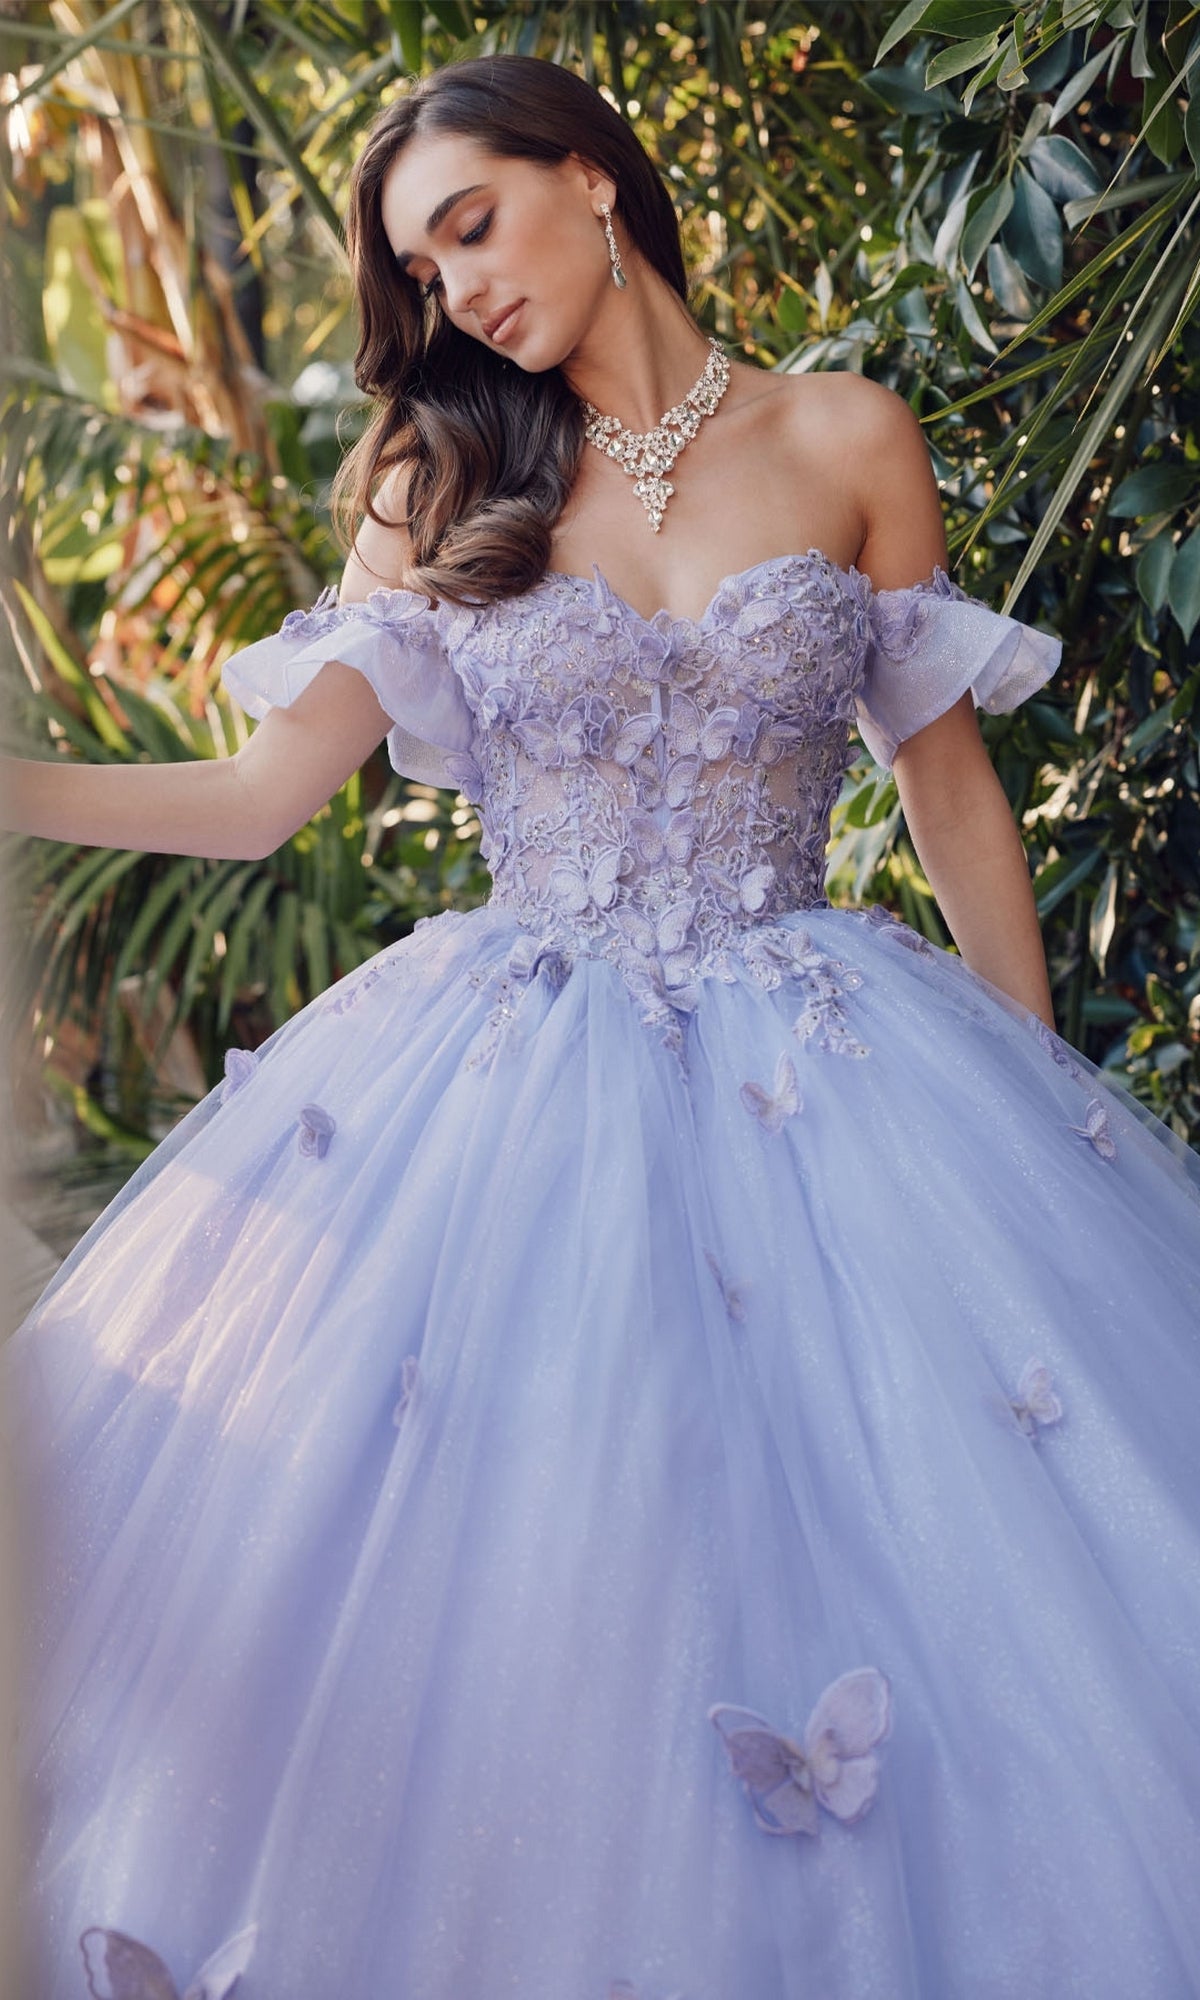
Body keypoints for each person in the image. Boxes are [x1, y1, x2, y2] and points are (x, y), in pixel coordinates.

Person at [4, 50, 1200, 2000]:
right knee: (551, 1568)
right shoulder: (437, 476)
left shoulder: (845, 437)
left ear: (591, 175)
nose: (459, 290)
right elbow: (252, 800)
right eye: (423, 266)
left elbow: (950, 795)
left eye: (472, 224)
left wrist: (1041, 1099)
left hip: (836, 1063)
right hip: (510, 1074)